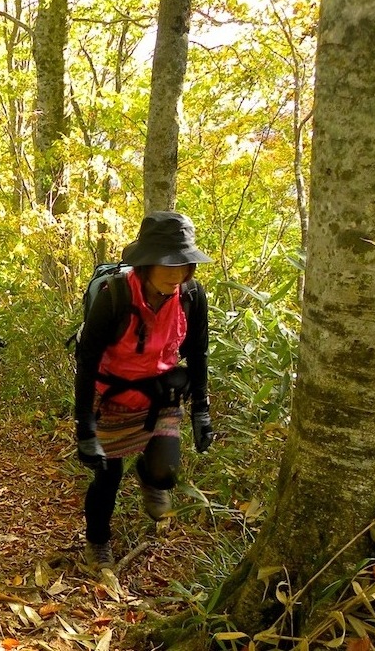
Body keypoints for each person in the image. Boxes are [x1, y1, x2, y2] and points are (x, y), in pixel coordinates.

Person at [74, 211, 215, 569]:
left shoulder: (192, 296)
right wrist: (85, 428)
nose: (175, 273)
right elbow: (87, 361)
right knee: (108, 477)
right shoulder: (115, 296)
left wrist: (201, 409)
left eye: (183, 264)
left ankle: (149, 474)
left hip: (159, 396)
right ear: (145, 264)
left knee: (164, 475)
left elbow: (197, 351)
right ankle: (97, 543)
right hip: (113, 398)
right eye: (166, 264)